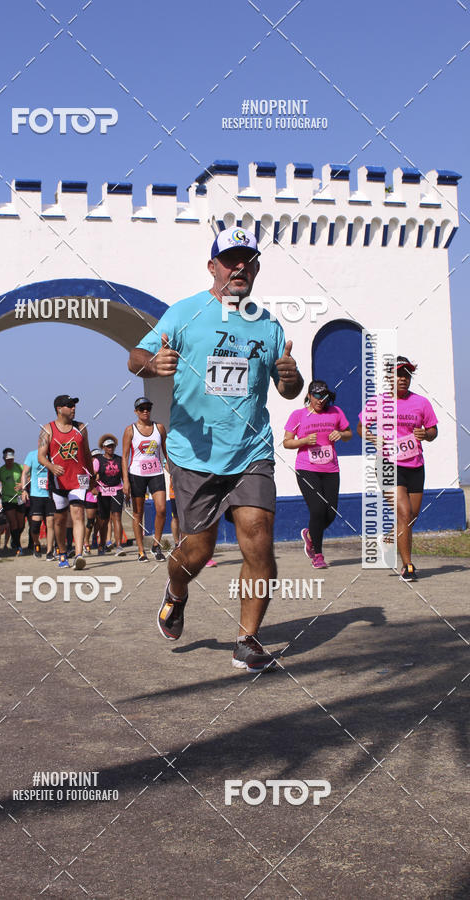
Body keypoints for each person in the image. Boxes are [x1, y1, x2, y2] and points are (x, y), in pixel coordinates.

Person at [128, 226, 303, 672]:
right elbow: (136, 356)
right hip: (194, 455)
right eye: (230, 260)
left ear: (257, 269)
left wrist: (290, 376)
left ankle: (248, 641)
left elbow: (288, 389)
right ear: (213, 267)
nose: (238, 268)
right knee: (196, 553)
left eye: (247, 261)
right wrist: (152, 362)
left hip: (251, 452)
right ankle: (176, 592)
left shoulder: (268, 323)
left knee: (259, 541)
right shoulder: (184, 313)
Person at [358, 356, 438, 581]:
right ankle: (408, 565)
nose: (403, 378)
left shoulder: (421, 403)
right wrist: (373, 437)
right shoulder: (378, 402)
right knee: (403, 513)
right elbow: (361, 427)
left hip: (415, 464)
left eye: (407, 374)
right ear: (389, 377)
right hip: (388, 464)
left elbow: (432, 430)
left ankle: (390, 537)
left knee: (411, 517)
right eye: (398, 374)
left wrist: (426, 435)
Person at [283, 380, 352, 568]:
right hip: (306, 468)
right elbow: (287, 442)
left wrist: (340, 434)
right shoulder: (298, 415)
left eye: (323, 396)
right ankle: (318, 555)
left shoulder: (335, 412)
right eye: (316, 396)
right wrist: (304, 441)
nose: (320, 400)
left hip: (330, 468)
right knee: (317, 510)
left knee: (330, 513)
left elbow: (349, 433)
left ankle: (311, 535)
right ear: (309, 396)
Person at [37, 395, 96, 570]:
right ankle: (62, 552)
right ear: (59, 408)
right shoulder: (47, 429)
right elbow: (41, 456)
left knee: (78, 514)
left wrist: (92, 477)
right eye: (69, 405)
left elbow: (86, 454)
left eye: (74, 405)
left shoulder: (81, 428)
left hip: (78, 478)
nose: (73, 408)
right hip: (58, 480)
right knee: (59, 520)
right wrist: (51, 466)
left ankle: (78, 555)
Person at [122, 398, 168, 562]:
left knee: (161, 509)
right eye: (141, 408)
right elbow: (125, 456)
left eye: (148, 407)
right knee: (137, 513)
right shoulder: (130, 430)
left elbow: (165, 451)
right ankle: (141, 551)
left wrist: (170, 467)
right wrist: (125, 481)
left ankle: (156, 545)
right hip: (136, 474)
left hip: (156, 473)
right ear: (136, 411)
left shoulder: (159, 428)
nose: (145, 411)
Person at [21, 449, 55, 559]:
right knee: (35, 526)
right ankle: (36, 543)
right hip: (36, 494)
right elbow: (25, 473)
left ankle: (50, 551)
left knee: (50, 523)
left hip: (50, 494)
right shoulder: (31, 454)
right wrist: (24, 489)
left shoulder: (54, 454)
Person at [96, 434, 126, 556]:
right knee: (104, 520)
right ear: (103, 447)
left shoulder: (119, 459)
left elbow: (124, 475)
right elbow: (92, 475)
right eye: (108, 446)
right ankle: (102, 544)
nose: (110, 448)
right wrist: (93, 487)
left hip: (117, 489)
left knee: (117, 516)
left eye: (112, 446)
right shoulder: (98, 460)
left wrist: (126, 488)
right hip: (103, 490)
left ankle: (119, 545)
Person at [0, 449, 25, 555]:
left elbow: (28, 475)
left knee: (21, 523)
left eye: (11, 459)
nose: (10, 461)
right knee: (13, 522)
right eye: (7, 460)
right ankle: (18, 546)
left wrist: (22, 485)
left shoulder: (19, 467)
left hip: (19, 497)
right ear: (4, 459)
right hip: (8, 498)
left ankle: (15, 540)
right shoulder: (0, 471)